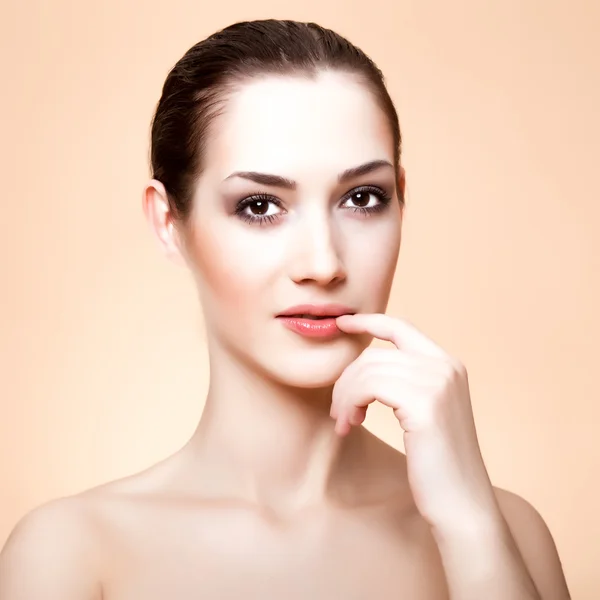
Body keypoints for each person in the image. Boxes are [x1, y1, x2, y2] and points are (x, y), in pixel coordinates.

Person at [0, 19, 570, 600]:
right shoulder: (72, 554)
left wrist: (471, 531)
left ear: (401, 198)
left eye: (362, 198)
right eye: (259, 205)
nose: (323, 264)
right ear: (169, 223)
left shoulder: (506, 534)